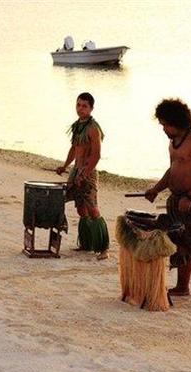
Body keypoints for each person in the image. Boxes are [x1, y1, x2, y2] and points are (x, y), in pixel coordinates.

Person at [144, 98, 191, 308]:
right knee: (181, 243)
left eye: (164, 124)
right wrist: (156, 189)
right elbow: (172, 171)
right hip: (177, 201)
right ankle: (182, 286)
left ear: (175, 121)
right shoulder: (173, 142)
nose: (163, 128)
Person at [56, 92, 109, 260]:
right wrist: (64, 166)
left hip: (88, 172)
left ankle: (103, 248)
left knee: (92, 208)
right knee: (80, 209)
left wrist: (84, 173)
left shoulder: (94, 128)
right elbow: (74, 149)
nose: (80, 109)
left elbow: (96, 155)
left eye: (84, 106)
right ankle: (86, 243)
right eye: (78, 105)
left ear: (91, 108)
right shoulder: (77, 125)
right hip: (75, 170)